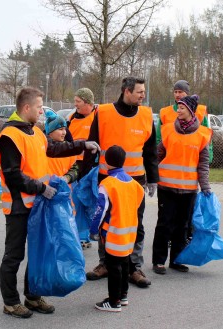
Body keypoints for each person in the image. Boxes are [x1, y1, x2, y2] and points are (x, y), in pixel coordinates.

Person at [0, 87, 100, 319]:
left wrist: (82, 144)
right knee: (14, 256)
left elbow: (53, 149)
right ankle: (11, 302)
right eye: (40, 107)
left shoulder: (35, 133)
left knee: (37, 252)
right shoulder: (9, 137)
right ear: (27, 107)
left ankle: (32, 296)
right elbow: (13, 175)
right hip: (19, 206)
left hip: (38, 204)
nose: (42, 111)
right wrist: (42, 188)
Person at [82, 77, 159, 288]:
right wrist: (83, 175)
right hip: (107, 179)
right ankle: (105, 263)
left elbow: (151, 150)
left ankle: (134, 267)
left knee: (135, 224)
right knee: (106, 223)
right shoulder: (104, 112)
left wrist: (153, 178)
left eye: (143, 92)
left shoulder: (145, 115)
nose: (143, 95)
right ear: (127, 91)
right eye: (139, 92)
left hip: (135, 182)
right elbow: (91, 146)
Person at [152, 95, 212, 274]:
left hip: (189, 190)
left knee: (183, 226)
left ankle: (177, 260)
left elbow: (203, 164)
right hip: (166, 187)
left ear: (191, 111)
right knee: (164, 224)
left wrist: (206, 186)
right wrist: (151, 176)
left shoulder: (202, 134)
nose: (178, 110)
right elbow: (158, 155)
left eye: (182, 108)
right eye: (178, 107)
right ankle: (159, 261)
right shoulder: (169, 130)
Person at [90, 145, 144, 312]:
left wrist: (93, 229)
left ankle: (113, 302)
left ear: (106, 162)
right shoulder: (135, 185)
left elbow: (101, 210)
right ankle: (123, 296)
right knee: (125, 263)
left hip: (113, 233)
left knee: (113, 267)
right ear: (123, 161)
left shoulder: (107, 184)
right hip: (129, 233)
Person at [68, 87, 98, 248]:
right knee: (76, 201)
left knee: (90, 201)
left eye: (78, 101)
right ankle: (81, 236)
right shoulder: (72, 117)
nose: (75, 104)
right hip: (74, 165)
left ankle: (91, 233)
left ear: (87, 102)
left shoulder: (97, 116)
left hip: (91, 165)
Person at [156, 80, 212, 162]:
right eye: (175, 92)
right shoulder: (165, 113)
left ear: (187, 93)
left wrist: (208, 156)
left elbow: (207, 138)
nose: (177, 94)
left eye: (180, 92)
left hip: (191, 158)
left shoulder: (200, 112)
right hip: (169, 158)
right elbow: (158, 138)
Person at [45, 109, 79, 183]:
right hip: (47, 190)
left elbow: (75, 169)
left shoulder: (68, 148)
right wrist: (48, 181)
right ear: (50, 132)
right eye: (60, 129)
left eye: (65, 129)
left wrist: (67, 178)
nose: (64, 132)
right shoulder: (43, 148)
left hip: (65, 191)